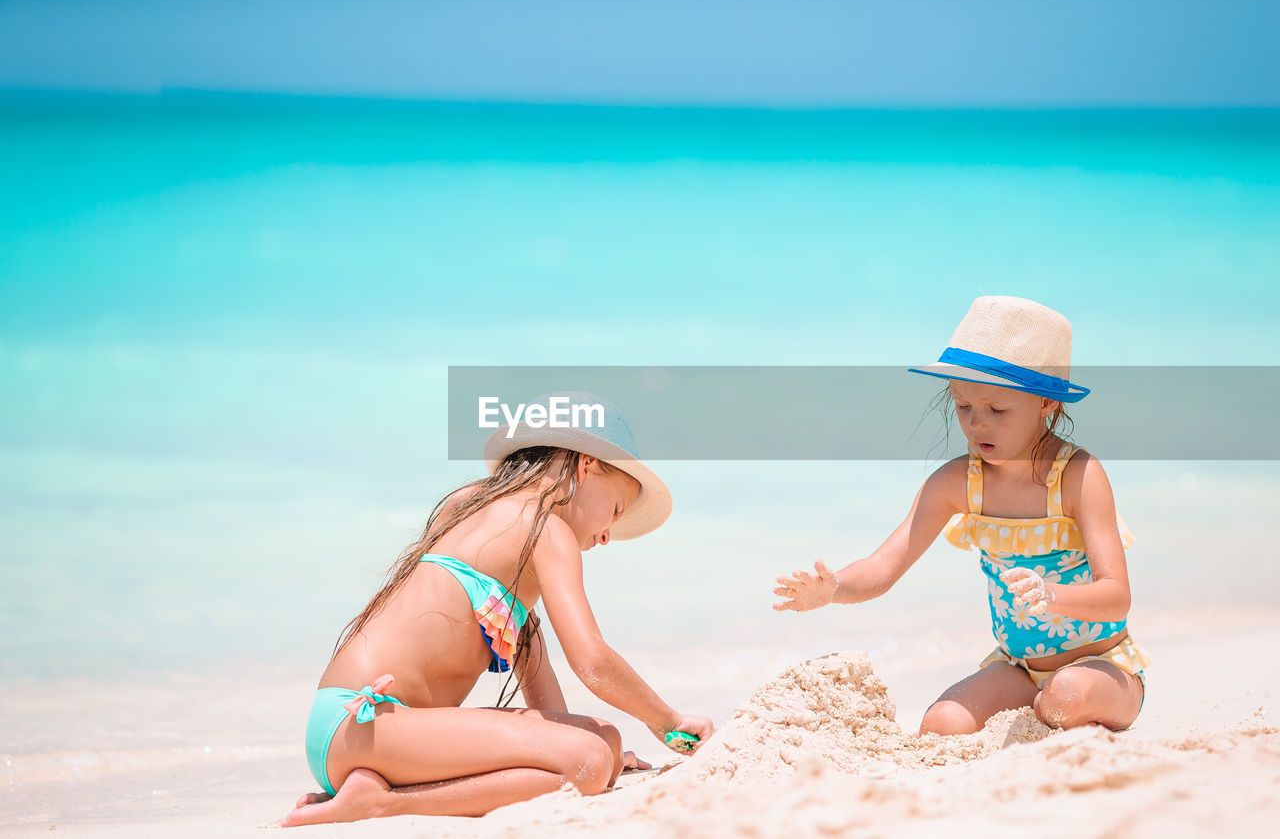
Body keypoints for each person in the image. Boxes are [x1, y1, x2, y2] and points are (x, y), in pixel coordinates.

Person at [281, 391, 714, 826]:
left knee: (605, 741)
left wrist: (585, 737)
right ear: (586, 464)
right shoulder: (547, 531)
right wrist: (667, 720)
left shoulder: (469, 505)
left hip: (357, 728)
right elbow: (592, 660)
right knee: (591, 762)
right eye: (615, 510)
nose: (606, 537)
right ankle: (383, 802)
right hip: (367, 723)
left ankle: (373, 782)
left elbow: (535, 666)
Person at [773, 296, 1150, 735]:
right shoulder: (958, 483)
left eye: (997, 409)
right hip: (1021, 668)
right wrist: (834, 587)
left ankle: (1062, 708)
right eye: (963, 406)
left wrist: (1051, 595)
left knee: (1066, 695)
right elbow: (882, 567)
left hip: (1102, 667)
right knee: (941, 724)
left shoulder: (1077, 476)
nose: (976, 424)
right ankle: (1040, 708)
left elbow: (1116, 595)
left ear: (1046, 403)